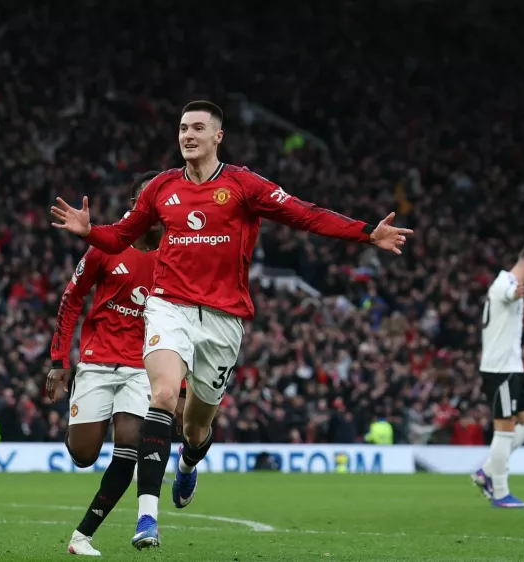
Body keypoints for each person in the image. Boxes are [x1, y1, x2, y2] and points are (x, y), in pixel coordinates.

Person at [51, 100, 411, 549]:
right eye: (183, 128)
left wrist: (366, 233)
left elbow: (305, 213)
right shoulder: (161, 188)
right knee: (162, 395)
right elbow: (121, 237)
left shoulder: (244, 185)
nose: (188, 135)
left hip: (223, 318)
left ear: (217, 136)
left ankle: (187, 463)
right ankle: (147, 518)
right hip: (169, 306)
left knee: (197, 425)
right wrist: (90, 231)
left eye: (198, 128)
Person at [45, 171, 162, 556]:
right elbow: (71, 299)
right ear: (135, 206)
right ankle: (81, 422)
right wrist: (60, 359)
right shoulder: (106, 245)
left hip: (142, 365)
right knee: (83, 455)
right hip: (97, 362)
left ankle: (83, 536)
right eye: (149, 200)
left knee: (130, 443)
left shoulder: (175, 256)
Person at [472, 244, 524, 509]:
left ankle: (486, 471)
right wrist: (514, 292)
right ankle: (500, 492)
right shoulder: (503, 284)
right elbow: (506, 294)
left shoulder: (507, 284)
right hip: (500, 370)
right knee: (504, 430)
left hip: (513, 368)